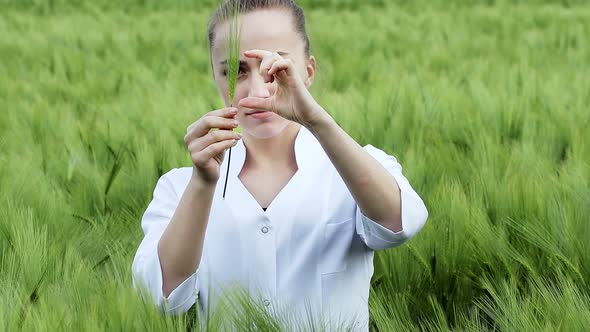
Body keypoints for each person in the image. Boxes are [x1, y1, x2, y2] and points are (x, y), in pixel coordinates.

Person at [131, 0, 428, 330]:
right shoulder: (179, 187)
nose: (258, 90)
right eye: (236, 71)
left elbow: (399, 224)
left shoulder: (359, 167)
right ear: (217, 76)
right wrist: (202, 184)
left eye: (275, 67)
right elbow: (161, 299)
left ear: (309, 72)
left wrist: (315, 118)